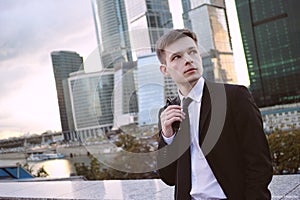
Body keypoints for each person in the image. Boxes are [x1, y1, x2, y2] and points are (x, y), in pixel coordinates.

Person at [156, 29, 273, 200]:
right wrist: (167, 137)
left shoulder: (234, 97)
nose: (188, 60)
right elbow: (169, 177)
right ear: (164, 70)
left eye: (192, 52)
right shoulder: (167, 113)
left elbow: (259, 163)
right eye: (177, 57)